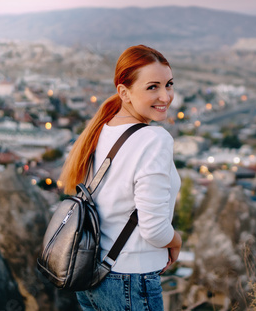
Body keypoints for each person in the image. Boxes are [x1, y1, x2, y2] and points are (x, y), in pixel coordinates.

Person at [59, 45, 182, 311]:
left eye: (169, 84)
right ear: (124, 93)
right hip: (132, 280)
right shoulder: (154, 139)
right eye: (152, 87)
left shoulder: (103, 129)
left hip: (92, 277)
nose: (165, 96)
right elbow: (154, 229)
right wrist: (176, 240)